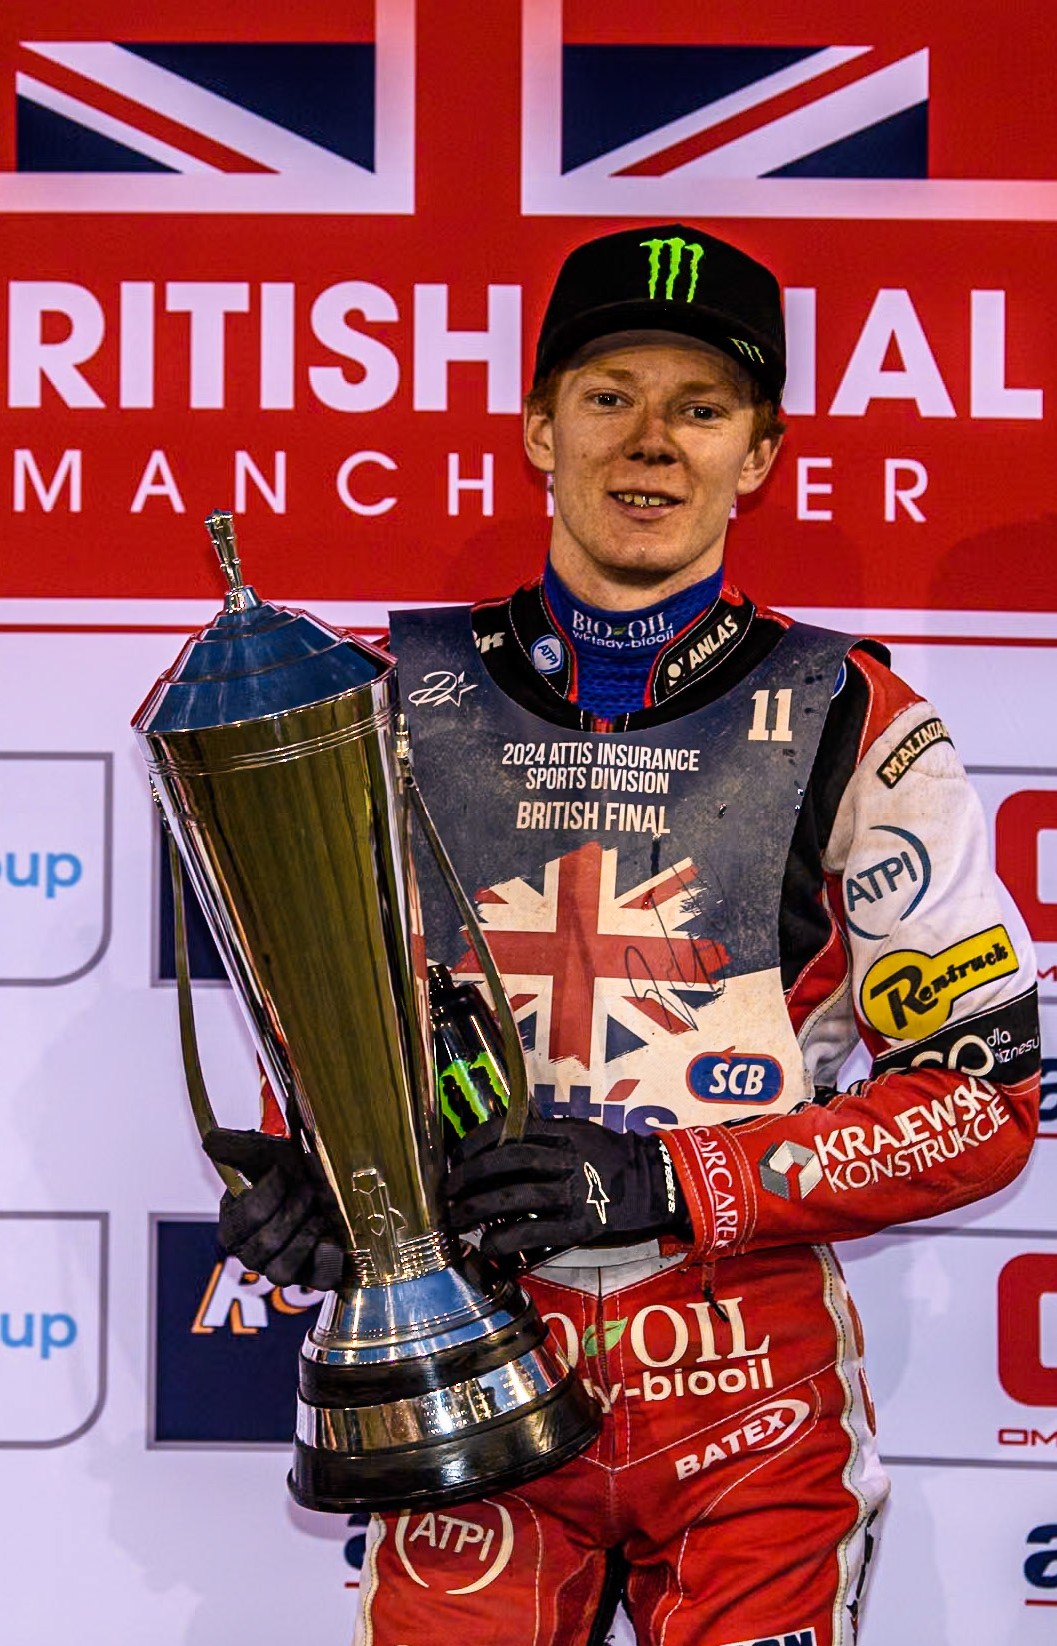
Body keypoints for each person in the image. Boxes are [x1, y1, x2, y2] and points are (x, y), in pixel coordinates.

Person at [206, 224, 1041, 1646]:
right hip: (461, 1358)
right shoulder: (373, 700)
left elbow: (985, 1097)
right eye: (609, 395)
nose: (650, 443)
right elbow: (336, 1031)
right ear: (539, 426)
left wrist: (674, 1178)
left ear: (758, 454)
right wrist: (325, 1190)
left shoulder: (861, 718)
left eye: (700, 408)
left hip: (744, 1385)